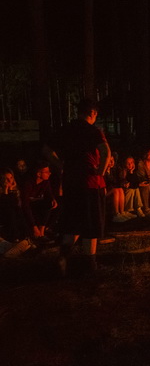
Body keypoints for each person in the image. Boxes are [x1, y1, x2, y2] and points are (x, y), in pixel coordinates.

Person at [43, 100, 111, 275]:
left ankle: (63, 257)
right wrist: (101, 172)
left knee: (73, 221)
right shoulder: (93, 131)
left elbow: (46, 150)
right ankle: (90, 264)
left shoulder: (65, 129)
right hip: (90, 182)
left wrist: (61, 165)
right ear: (92, 113)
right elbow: (106, 152)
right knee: (91, 224)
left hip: (71, 182)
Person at [20, 161, 59, 239]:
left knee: (52, 204)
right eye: (47, 172)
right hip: (27, 204)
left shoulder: (45, 181)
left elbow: (49, 193)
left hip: (35, 202)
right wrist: (33, 226)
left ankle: (43, 230)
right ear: (38, 174)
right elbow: (25, 204)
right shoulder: (28, 183)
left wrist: (53, 199)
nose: (50, 173)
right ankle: (35, 231)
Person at [0, 168, 26, 242]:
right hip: (3, 213)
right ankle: (14, 237)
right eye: (6, 179)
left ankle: (24, 236)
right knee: (10, 211)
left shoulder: (15, 189)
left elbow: (15, 204)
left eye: (11, 178)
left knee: (17, 210)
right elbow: (4, 206)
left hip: (13, 212)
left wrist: (11, 190)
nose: (9, 181)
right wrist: (5, 191)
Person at [104, 155, 133, 222]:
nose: (112, 162)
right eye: (109, 161)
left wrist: (124, 183)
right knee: (116, 190)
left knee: (120, 189)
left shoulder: (113, 170)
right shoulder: (103, 171)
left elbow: (119, 181)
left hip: (111, 190)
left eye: (113, 160)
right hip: (105, 192)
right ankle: (116, 214)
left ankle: (121, 212)